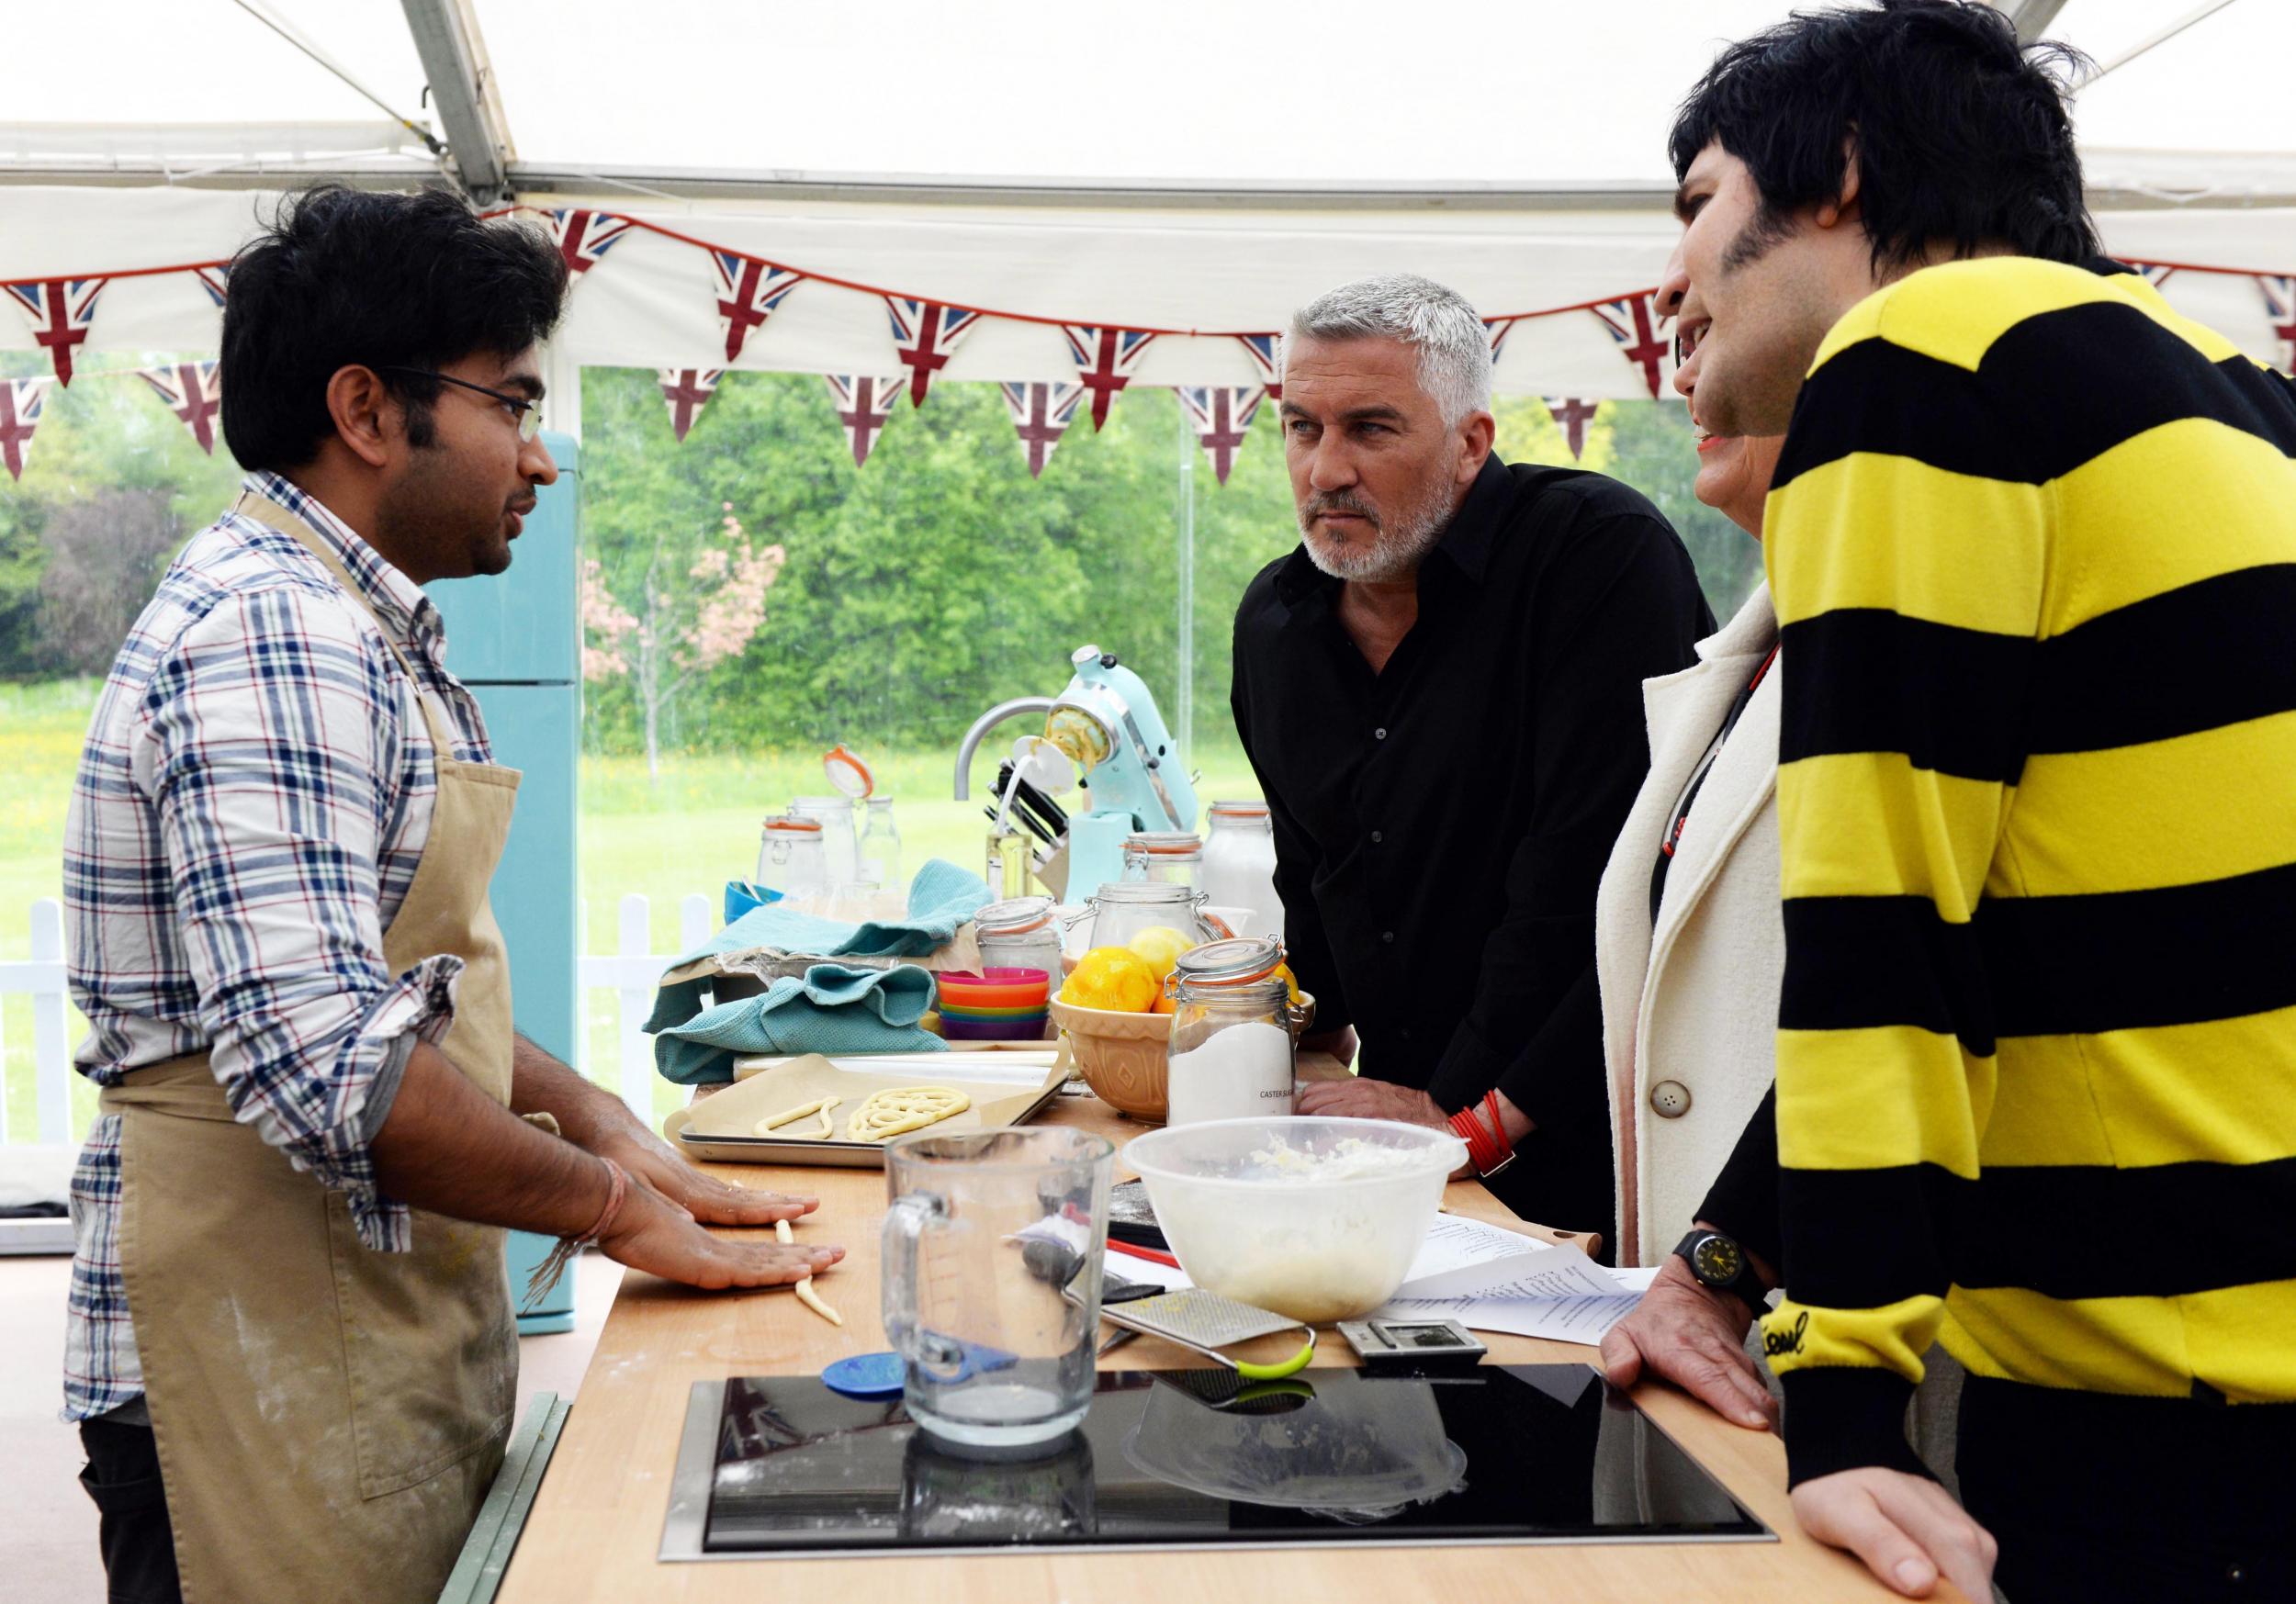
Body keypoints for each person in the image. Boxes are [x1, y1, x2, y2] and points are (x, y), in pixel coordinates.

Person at [61, 186, 842, 1604]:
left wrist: (591, 1111)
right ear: (368, 408)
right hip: (252, 1354)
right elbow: (326, 1062)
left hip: (343, 1332)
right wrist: (608, 1202)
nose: (538, 459)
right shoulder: (273, 634)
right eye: (512, 403)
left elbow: (389, 994)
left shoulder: (360, 620)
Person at [1643, 4, 2296, 1600]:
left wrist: (1845, 1404)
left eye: (1700, 202)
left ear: (1844, 174)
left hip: (2152, 1427)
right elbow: (2035, 920)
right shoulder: (2228, 395)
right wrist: (1724, 1265)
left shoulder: (1921, 356)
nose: (1671, 274)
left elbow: (1885, 912)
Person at [1234, 272, 1714, 1245]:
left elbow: (1605, 892)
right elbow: (1314, 884)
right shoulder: (1274, 624)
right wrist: (1261, 1057)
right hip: (1397, 1159)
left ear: (1469, 444)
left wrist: (1465, 1117)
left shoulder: (1598, 560)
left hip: (1609, 1155)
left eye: (1370, 429)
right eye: (1300, 427)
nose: (1324, 469)